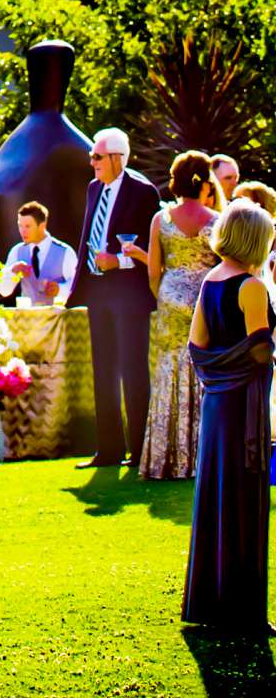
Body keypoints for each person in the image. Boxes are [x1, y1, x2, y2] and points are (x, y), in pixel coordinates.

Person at [184, 198, 275, 632]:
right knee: (244, 497)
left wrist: (219, 378)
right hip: (244, 406)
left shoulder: (209, 282)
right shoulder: (251, 286)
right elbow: (260, 352)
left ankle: (212, 602)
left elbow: (197, 347)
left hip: (218, 403)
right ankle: (243, 610)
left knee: (217, 495)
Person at [71, 127, 162, 470]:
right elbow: (87, 237)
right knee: (103, 369)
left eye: (97, 156)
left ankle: (139, 450)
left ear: (117, 158)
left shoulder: (143, 192)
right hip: (99, 291)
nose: (91, 162)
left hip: (129, 291)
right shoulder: (94, 188)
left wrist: (119, 261)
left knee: (133, 370)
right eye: (91, 156)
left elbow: (151, 251)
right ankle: (108, 449)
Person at [138, 150, 222, 480]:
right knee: (204, 367)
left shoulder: (162, 219)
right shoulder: (215, 220)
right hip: (205, 297)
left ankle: (167, 458)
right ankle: (203, 457)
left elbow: (153, 270)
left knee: (169, 370)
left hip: (171, 296)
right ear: (204, 182)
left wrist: (165, 294)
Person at [0, 201, 76, 308]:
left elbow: (78, 285)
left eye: (28, 226)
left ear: (42, 226)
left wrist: (60, 289)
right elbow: (3, 290)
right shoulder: (17, 251)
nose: (23, 231)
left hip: (56, 321)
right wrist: (13, 271)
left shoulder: (65, 252)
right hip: (27, 321)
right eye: (20, 226)